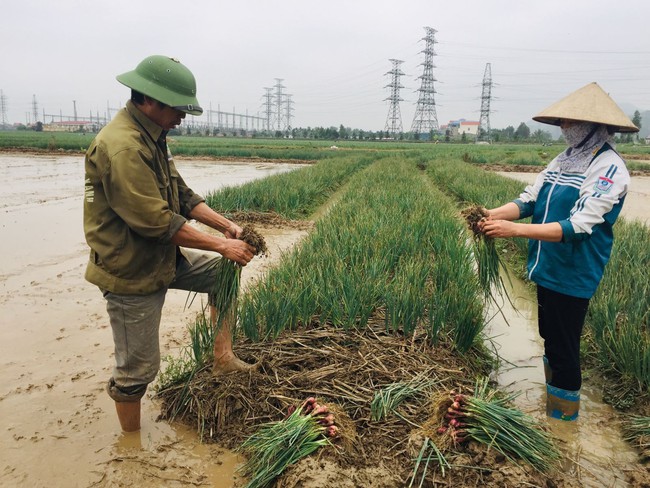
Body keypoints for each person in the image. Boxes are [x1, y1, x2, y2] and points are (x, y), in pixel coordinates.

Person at [83, 55, 256, 432]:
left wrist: (228, 227)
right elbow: (156, 222)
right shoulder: (124, 148)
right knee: (138, 369)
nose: (181, 117)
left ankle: (223, 357)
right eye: (177, 108)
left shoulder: (153, 135)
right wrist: (221, 245)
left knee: (221, 274)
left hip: (160, 255)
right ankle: (130, 448)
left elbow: (181, 195)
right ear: (149, 100)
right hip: (130, 269)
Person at [480, 82, 639, 421]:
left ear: (593, 126)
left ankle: (563, 424)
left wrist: (515, 231)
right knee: (549, 338)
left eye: (570, 122)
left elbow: (579, 226)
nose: (564, 128)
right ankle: (552, 405)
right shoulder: (564, 160)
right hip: (546, 266)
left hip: (573, 272)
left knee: (564, 350)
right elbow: (529, 200)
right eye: (563, 122)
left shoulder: (608, 167)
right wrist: (492, 214)